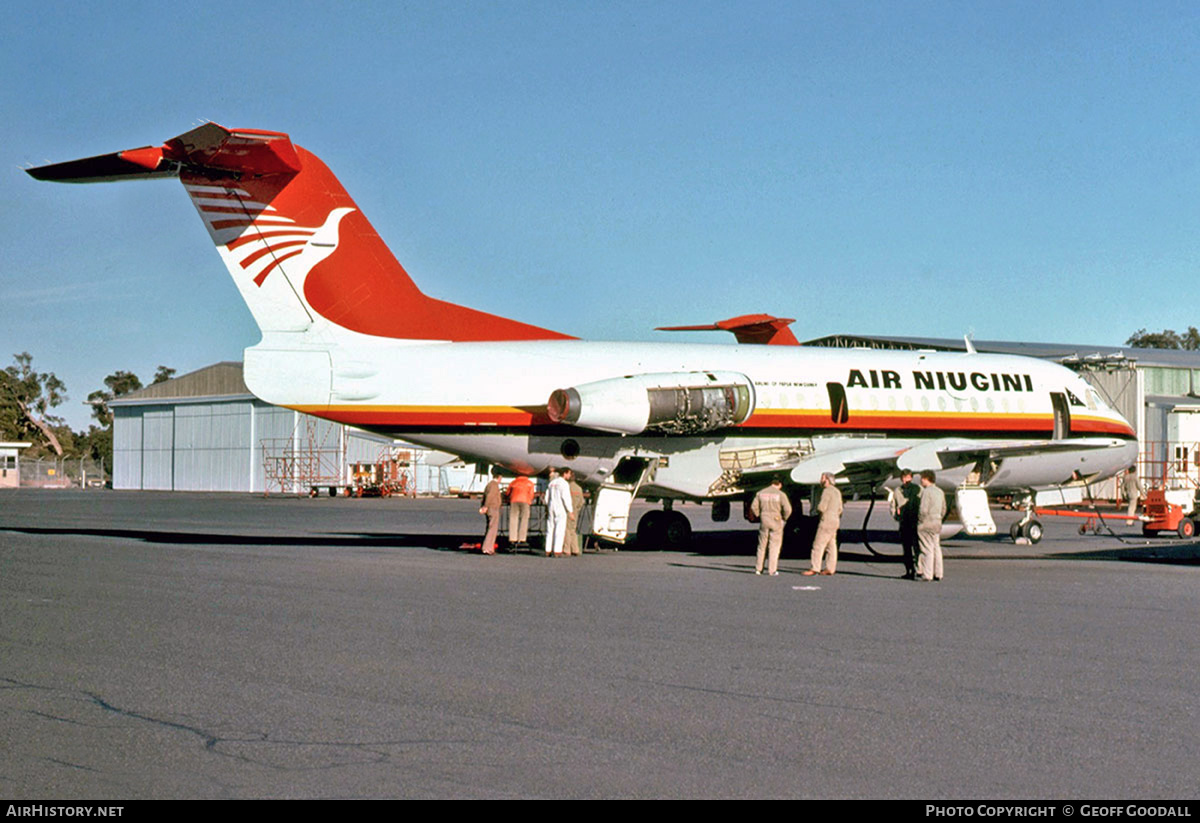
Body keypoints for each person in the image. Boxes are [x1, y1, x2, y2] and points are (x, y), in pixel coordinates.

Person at [750, 476, 793, 575]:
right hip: (776, 520)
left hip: (764, 519)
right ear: (780, 484)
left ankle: (758, 568)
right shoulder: (781, 494)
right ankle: (772, 570)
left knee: (762, 545)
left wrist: (758, 515)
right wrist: (784, 518)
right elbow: (788, 509)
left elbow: (753, 506)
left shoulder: (760, 493)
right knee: (774, 546)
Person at [804, 472, 843, 576]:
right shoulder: (837, 491)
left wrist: (817, 510)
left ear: (827, 480)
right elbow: (840, 508)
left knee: (818, 545)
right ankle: (830, 568)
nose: (820, 480)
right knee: (831, 545)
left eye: (822, 478)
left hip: (826, 520)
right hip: (835, 520)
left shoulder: (826, 491)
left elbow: (822, 507)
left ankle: (815, 568)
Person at [917, 469, 947, 581]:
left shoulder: (926, 492)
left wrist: (920, 521)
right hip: (937, 521)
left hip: (927, 522)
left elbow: (923, 510)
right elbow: (944, 508)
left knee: (926, 549)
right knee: (936, 548)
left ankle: (927, 574)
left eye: (922, 478)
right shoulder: (940, 491)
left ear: (925, 479)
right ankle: (938, 573)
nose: (921, 481)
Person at [891, 469, 921, 579]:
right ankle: (909, 570)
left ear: (911, 478)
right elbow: (893, 506)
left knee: (917, 547)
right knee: (907, 549)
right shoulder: (898, 491)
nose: (905, 480)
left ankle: (919, 569)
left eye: (907, 477)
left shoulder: (918, 489)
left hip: (914, 522)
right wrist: (897, 516)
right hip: (904, 523)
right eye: (904, 478)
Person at [545, 466, 573, 557]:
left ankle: (548, 549)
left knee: (550, 529)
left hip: (551, 506)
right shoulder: (564, 484)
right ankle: (557, 550)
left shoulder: (552, 483)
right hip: (560, 507)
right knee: (559, 529)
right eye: (569, 474)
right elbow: (566, 498)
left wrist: (547, 506)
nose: (569, 476)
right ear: (564, 473)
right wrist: (570, 511)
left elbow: (546, 497)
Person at [479, 468, 504, 555]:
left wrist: (483, 505)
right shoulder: (494, 485)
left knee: (490, 527)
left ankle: (488, 547)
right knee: (492, 528)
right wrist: (485, 506)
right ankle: (487, 548)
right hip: (493, 508)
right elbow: (489, 496)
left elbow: (485, 496)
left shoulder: (489, 485)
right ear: (499, 477)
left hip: (490, 508)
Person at [507, 474, 535, 547]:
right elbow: (531, 494)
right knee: (524, 519)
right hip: (525, 500)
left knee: (513, 519)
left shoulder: (513, 482)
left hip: (514, 500)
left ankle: (513, 538)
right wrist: (530, 500)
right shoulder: (530, 483)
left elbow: (507, 492)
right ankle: (522, 538)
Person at [564, 470, 585, 556]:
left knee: (567, 530)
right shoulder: (579, 488)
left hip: (567, 511)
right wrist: (577, 509)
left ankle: (567, 549)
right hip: (575, 511)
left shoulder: (566, 487)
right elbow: (581, 502)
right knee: (573, 530)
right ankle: (575, 549)